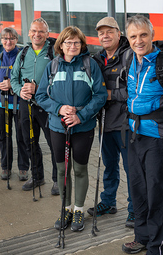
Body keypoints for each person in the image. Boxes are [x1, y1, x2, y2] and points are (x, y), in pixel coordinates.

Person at [122, 15, 163, 254]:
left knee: (157, 193)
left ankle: (159, 247)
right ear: (128, 38)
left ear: (152, 35)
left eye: (143, 35)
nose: (139, 40)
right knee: (137, 188)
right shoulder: (129, 59)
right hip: (134, 134)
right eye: (133, 36)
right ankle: (143, 237)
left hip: (159, 137)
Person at [36, 26, 107, 231]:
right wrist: (59, 109)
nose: (72, 46)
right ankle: (66, 208)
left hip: (83, 127)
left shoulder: (90, 65)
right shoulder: (52, 66)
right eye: (68, 42)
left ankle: (78, 210)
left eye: (76, 42)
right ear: (61, 45)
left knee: (80, 169)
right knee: (62, 169)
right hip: (58, 127)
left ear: (81, 44)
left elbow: (100, 96)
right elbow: (41, 96)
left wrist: (81, 115)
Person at [87, 16, 134, 228]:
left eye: (109, 32)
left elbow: (135, 90)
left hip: (125, 124)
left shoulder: (130, 56)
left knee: (131, 169)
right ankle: (108, 201)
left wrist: (109, 94)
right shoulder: (97, 59)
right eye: (101, 33)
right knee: (109, 166)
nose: (105, 36)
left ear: (118, 33)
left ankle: (134, 209)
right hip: (104, 123)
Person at [10, 17, 59, 195]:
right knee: (30, 141)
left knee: (54, 143)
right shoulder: (23, 53)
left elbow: (60, 81)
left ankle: (57, 179)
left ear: (47, 34)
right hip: (27, 105)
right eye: (34, 31)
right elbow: (13, 78)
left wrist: (39, 88)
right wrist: (19, 91)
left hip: (47, 106)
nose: (37, 34)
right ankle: (37, 176)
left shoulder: (54, 53)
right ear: (29, 33)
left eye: (41, 31)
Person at [0, 27, 29, 181]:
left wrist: (13, 84)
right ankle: (5, 167)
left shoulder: (22, 57)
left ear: (16, 40)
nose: (8, 41)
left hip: (19, 104)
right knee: (4, 137)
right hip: (2, 105)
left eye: (11, 38)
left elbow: (25, 77)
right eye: (5, 38)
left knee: (22, 137)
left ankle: (24, 168)